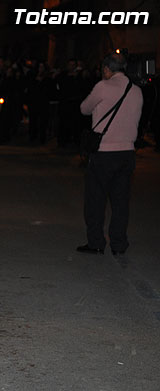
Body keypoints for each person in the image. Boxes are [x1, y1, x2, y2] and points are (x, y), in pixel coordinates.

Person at [77, 52, 143, 255]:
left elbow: (84, 109)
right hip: (127, 153)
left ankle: (96, 243)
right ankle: (119, 244)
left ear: (107, 69)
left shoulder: (103, 87)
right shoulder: (137, 90)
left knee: (96, 200)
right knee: (121, 202)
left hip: (104, 152)